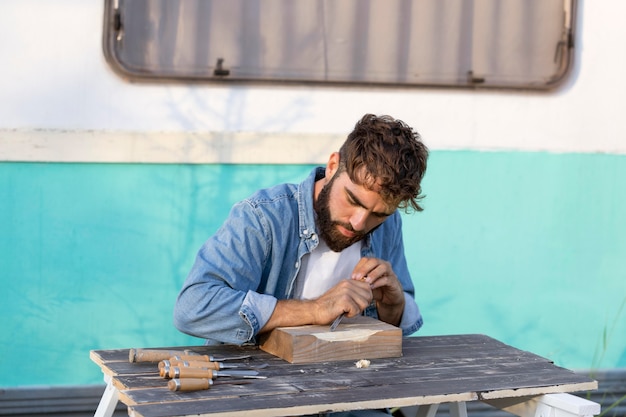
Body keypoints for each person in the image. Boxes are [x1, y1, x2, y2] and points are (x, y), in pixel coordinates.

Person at [174, 112, 428, 348]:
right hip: (253, 387)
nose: (359, 223)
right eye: (353, 200)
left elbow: (389, 331)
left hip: (350, 381)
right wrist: (315, 310)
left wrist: (394, 306)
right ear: (332, 166)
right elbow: (193, 307)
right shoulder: (264, 217)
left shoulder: (390, 224)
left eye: (378, 214)